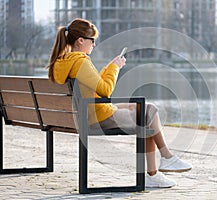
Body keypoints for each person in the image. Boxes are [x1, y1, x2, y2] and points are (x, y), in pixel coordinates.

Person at [47, 18, 192, 188]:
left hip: (86, 113)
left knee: (148, 109)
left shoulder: (62, 62)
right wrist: (115, 69)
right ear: (80, 40)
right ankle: (160, 165)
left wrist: (110, 67)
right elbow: (105, 90)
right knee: (148, 114)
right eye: (92, 40)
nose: (94, 44)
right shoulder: (80, 61)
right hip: (98, 117)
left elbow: (93, 85)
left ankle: (165, 161)